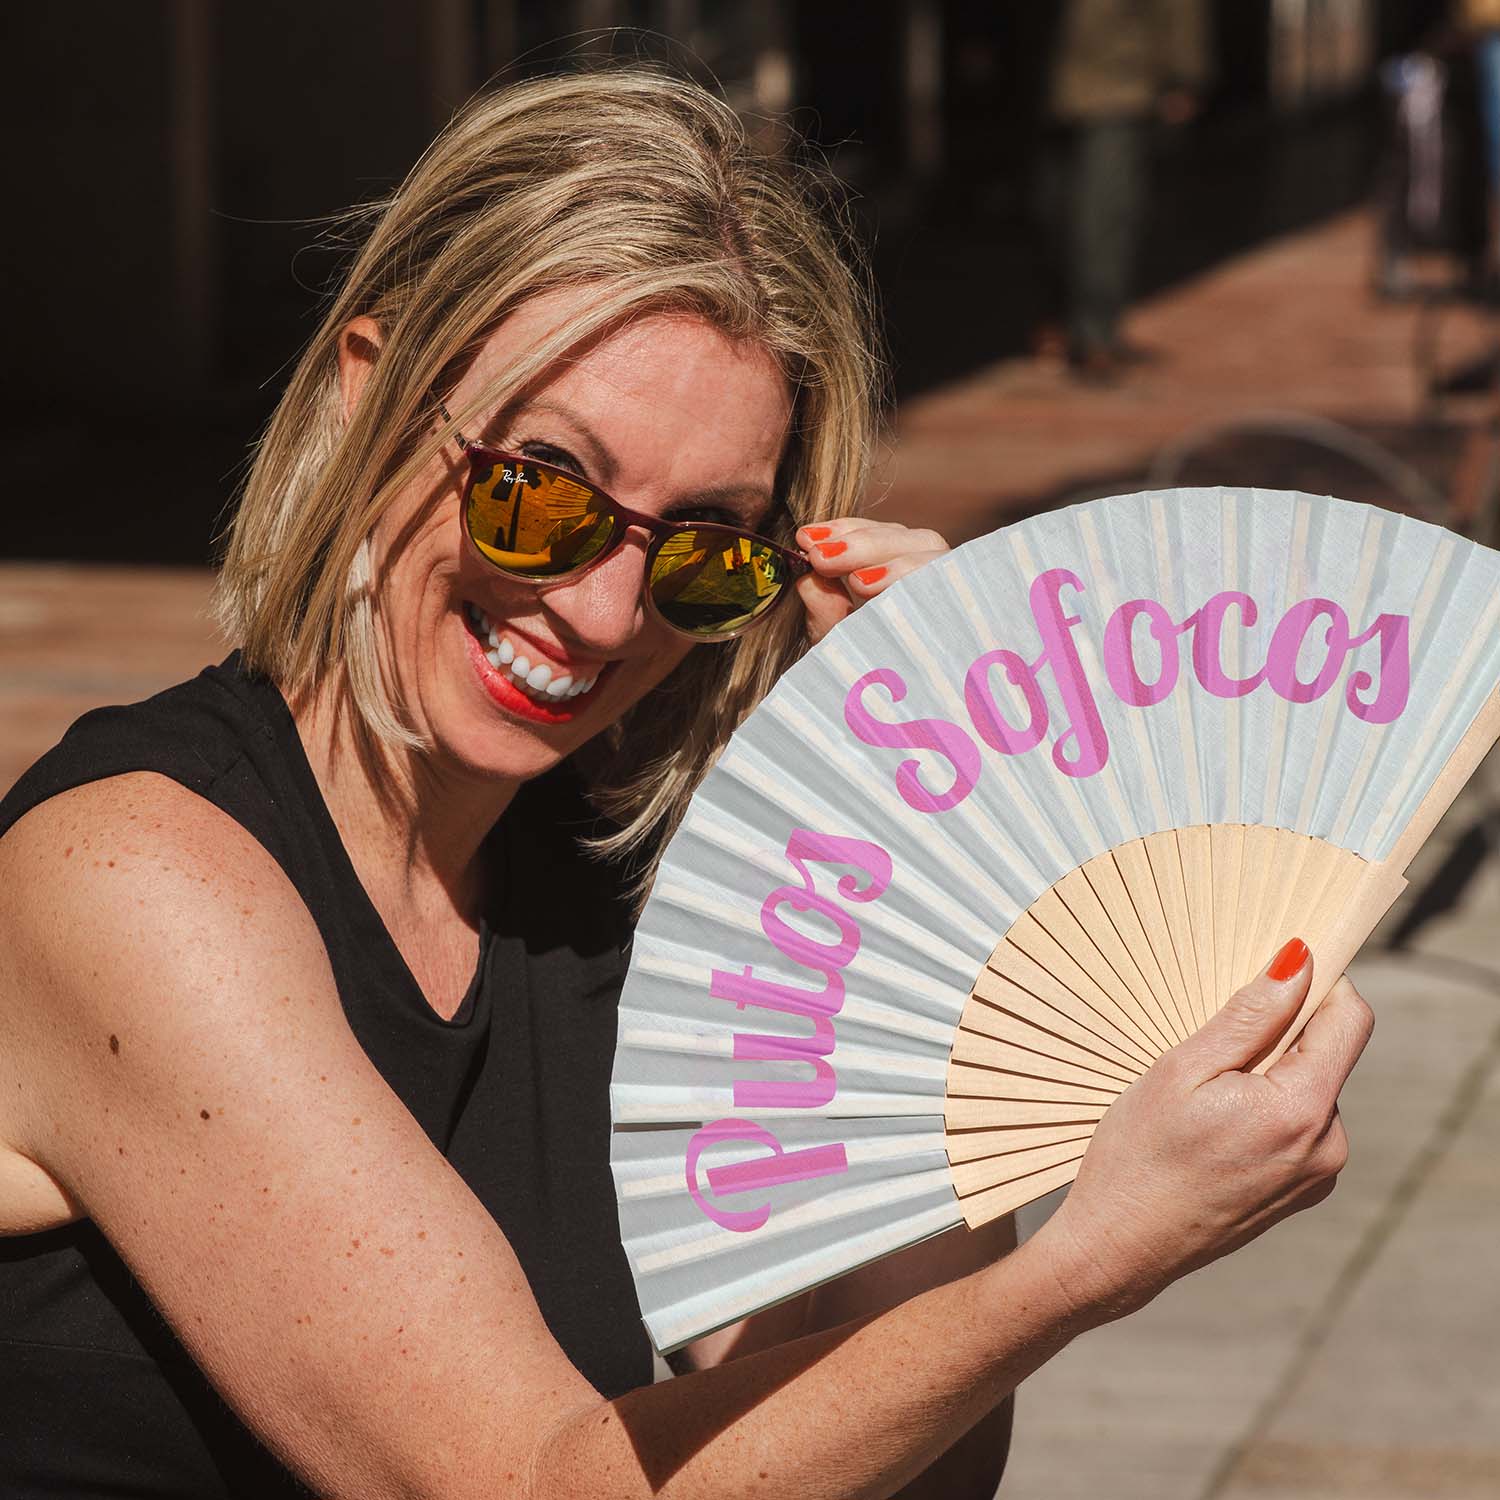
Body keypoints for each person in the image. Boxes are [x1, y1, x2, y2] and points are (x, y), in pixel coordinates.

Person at [0, 67, 1371, 1498]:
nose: (603, 613)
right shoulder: (135, 881)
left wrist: (934, 830)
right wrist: (1089, 1263)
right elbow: (531, 1481)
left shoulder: (596, 893)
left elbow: (912, 1455)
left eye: (703, 547)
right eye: (539, 489)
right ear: (367, 396)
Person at [1038, 0, 1212, 382]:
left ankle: (1084, 330)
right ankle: (1086, 333)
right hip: (1084, 82)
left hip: (1111, 80)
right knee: (1087, 212)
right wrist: (1183, 76)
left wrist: (1182, 76)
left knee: (1094, 211)